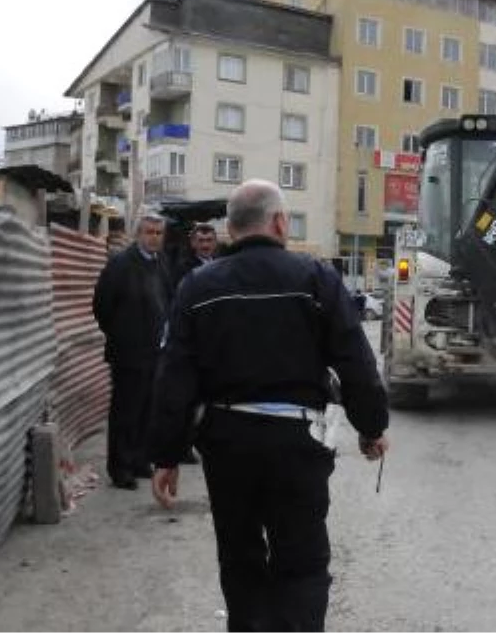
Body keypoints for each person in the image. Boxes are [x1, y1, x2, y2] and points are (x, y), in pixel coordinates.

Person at [149, 179, 389, 632]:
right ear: (279, 222)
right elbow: (355, 362)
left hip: (227, 445)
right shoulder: (317, 279)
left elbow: (174, 378)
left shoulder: (197, 287)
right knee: (301, 565)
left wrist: (166, 454)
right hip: (297, 446)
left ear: (230, 228)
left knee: (240, 563)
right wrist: (371, 427)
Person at [92, 212, 173, 489]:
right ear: (138, 233)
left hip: (155, 352)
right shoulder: (121, 264)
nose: (154, 237)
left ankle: (139, 460)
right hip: (128, 353)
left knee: (147, 410)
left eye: (158, 233)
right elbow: (101, 305)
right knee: (126, 411)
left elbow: (168, 299)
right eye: (149, 232)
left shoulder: (161, 263)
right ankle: (120, 468)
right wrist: (121, 335)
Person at [173, 222, 218, 289]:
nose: (205, 245)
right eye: (201, 240)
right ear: (193, 243)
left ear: (215, 243)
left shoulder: (222, 264)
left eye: (209, 240)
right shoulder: (183, 268)